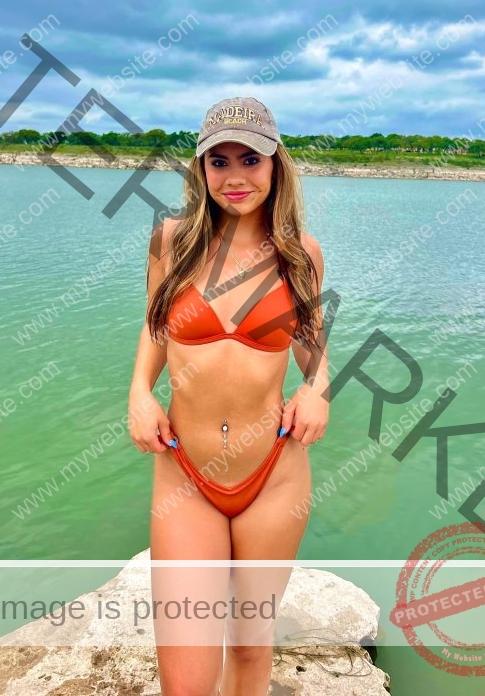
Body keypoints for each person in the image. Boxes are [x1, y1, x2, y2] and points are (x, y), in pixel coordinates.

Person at [128, 96, 330, 696]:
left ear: (275, 164)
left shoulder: (302, 254)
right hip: (185, 474)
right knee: (186, 678)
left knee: (248, 644)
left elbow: (312, 350)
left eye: (250, 159)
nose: (235, 176)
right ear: (201, 168)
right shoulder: (171, 241)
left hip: (274, 474)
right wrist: (139, 393)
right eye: (219, 162)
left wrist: (317, 391)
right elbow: (155, 325)